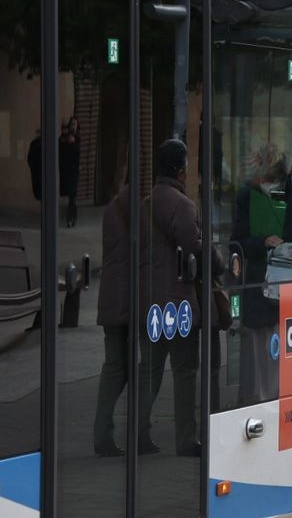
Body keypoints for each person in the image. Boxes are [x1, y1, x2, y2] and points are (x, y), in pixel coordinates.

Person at [232, 143, 292, 403]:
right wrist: (262, 241)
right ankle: (266, 406)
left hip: (285, 286)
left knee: (280, 362)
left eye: (262, 176)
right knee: (264, 366)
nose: (258, 181)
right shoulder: (248, 195)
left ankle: (278, 406)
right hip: (258, 289)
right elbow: (237, 242)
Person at [137, 139, 203, 457]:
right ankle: (186, 439)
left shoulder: (144, 204)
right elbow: (195, 250)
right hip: (178, 303)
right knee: (184, 370)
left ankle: (138, 432)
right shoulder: (183, 206)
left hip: (149, 300)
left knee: (150, 369)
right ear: (181, 171)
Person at [93, 183, 133, 457]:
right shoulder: (136, 209)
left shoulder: (115, 206)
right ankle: (104, 432)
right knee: (118, 367)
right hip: (125, 300)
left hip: (112, 298)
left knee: (117, 365)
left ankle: (103, 430)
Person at [60, 117, 80, 227]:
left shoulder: (77, 138)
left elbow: (77, 153)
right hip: (67, 171)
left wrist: (72, 143)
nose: (73, 126)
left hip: (74, 171)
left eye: (75, 124)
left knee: (72, 196)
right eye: (72, 124)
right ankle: (73, 217)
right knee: (71, 196)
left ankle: (70, 218)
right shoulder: (65, 137)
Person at [26, 129, 41, 201]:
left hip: (38, 170)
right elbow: (29, 158)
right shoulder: (33, 144)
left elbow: (29, 158)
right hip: (36, 170)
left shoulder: (36, 144)